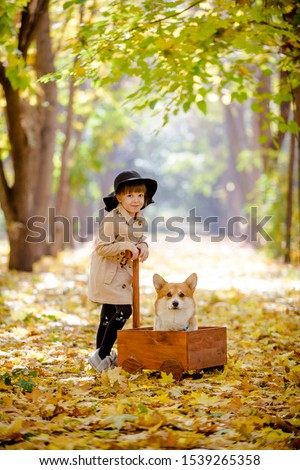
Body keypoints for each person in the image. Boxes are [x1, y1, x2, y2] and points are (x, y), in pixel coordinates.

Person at [88, 170, 158, 372]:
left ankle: (102, 357)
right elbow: (101, 247)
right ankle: (101, 355)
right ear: (119, 197)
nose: (136, 200)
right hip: (107, 273)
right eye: (130, 195)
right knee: (124, 310)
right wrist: (125, 246)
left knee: (109, 313)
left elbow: (138, 239)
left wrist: (144, 245)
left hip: (121, 274)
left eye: (140, 195)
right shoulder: (112, 220)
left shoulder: (138, 217)